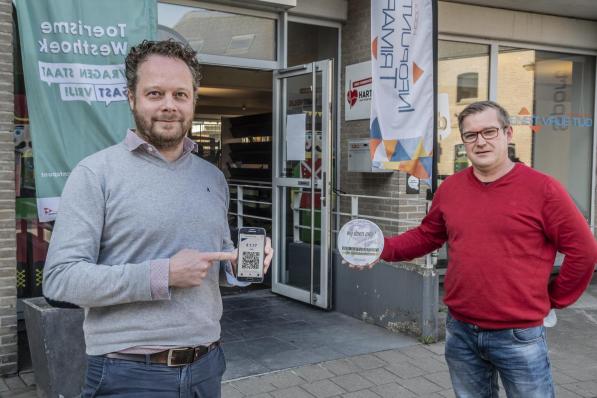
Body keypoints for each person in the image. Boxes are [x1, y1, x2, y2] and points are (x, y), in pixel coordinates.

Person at [42, 40, 273, 397]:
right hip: (128, 373)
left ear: (193, 100)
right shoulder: (95, 174)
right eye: (155, 93)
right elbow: (60, 281)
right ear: (131, 98)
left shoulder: (212, 177)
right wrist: (163, 274)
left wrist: (240, 266)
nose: (169, 105)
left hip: (208, 365)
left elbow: (216, 261)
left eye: (180, 94)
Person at [356, 101, 597, 397]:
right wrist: (379, 248)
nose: (480, 141)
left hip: (518, 334)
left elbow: (584, 250)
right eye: (471, 135)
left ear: (508, 134)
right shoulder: (451, 188)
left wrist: (555, 299)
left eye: (489, 132)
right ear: (464, 141)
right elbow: (427, 236)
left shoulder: (543, 189)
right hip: (460, 330)